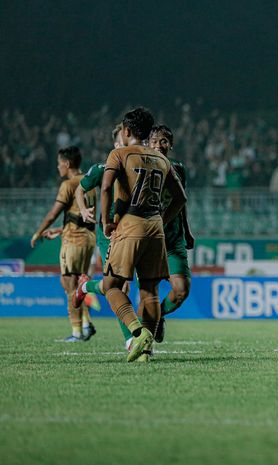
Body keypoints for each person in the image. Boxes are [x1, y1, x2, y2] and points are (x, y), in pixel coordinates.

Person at [100, 107, 187, 362]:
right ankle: (145, 352)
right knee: (150, 291)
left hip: (130, 225)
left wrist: (106, 222)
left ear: (126, 131)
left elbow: (106, 188)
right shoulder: (162, 161)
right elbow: (181, 198)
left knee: (111, 285)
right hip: (155, 229)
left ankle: (138, 332)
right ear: (148, 133)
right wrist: (162, 219)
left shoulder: (119, 154)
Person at [73, 124, 134, 346]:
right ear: (116, 144)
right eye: (124, 141)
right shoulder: (103, 168)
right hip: (109, 233)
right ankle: (131, 339)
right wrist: (83, 209)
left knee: (123, 285)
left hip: (132, 232)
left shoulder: (137, 166)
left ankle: (85, 287)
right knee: (119, 286)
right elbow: (81, 189)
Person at [30, 146, 97, 341]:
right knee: (78, 282)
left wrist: (38, 233)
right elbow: (82, 216)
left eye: (59, 164)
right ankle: (85, 323)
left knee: (69, 285)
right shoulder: (90, 182)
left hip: (74, 240)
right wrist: (60, 230)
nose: (58, 168)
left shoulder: (68, 185)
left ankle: (77, 332)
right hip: (88, 238)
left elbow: (53, 214)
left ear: (67, 164)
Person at [147, 124, 195, 344]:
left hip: (174, 239)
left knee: (181, 290)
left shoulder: (178, 168)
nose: (159, 145)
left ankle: (159, 315)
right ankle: (142, 341)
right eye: (155, 141)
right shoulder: (140, 166)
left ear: (171, 145)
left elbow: (181, 201)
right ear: (147, 144)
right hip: (148, 240)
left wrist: (187, 230)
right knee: (148, 292)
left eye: (164, 141)